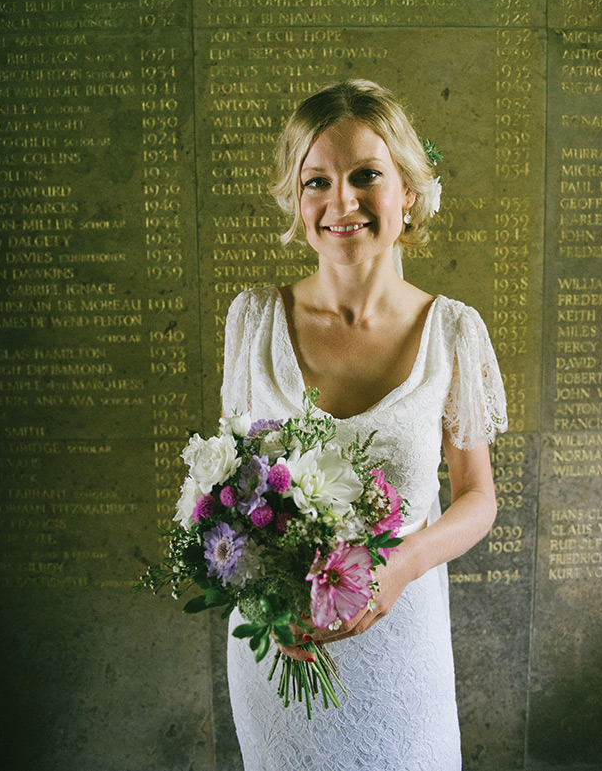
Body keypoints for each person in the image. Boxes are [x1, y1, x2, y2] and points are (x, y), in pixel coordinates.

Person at [221, 78, 507, 771]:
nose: (341, 202)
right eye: (316, 180)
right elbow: (231, 491)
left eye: (365, 175)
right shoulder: (254, 320)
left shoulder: (453, 332)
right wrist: (265, 593)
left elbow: (478, 496)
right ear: (296, 199)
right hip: (280, 649)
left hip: (401, 646)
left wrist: (402, 566)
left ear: (407, 190)